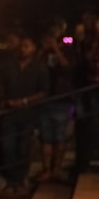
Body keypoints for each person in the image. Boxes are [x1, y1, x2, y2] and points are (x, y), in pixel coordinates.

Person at [0, 34, 49, 197]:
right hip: (9, 113)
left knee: (24, 147)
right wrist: (6, 101)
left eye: (27, 46)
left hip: (28, 113)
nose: (23, 49)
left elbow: (43, 92)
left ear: (33, 48)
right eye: (21, 46)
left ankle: (20, 180)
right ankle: (12, 181)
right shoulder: (7, 65)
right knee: (8, 147)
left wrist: (24, 101)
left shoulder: (39, 67)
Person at [37, 25, 81, 183]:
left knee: (60, 137)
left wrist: (56, 49)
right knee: (46, 138)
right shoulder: (42, 51)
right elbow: (35, 66)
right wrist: (44, 49)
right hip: (45, 98)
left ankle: (57, 169)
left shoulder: (68, 47)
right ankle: (46, 170)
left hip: (62, 98)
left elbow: (68, 66)